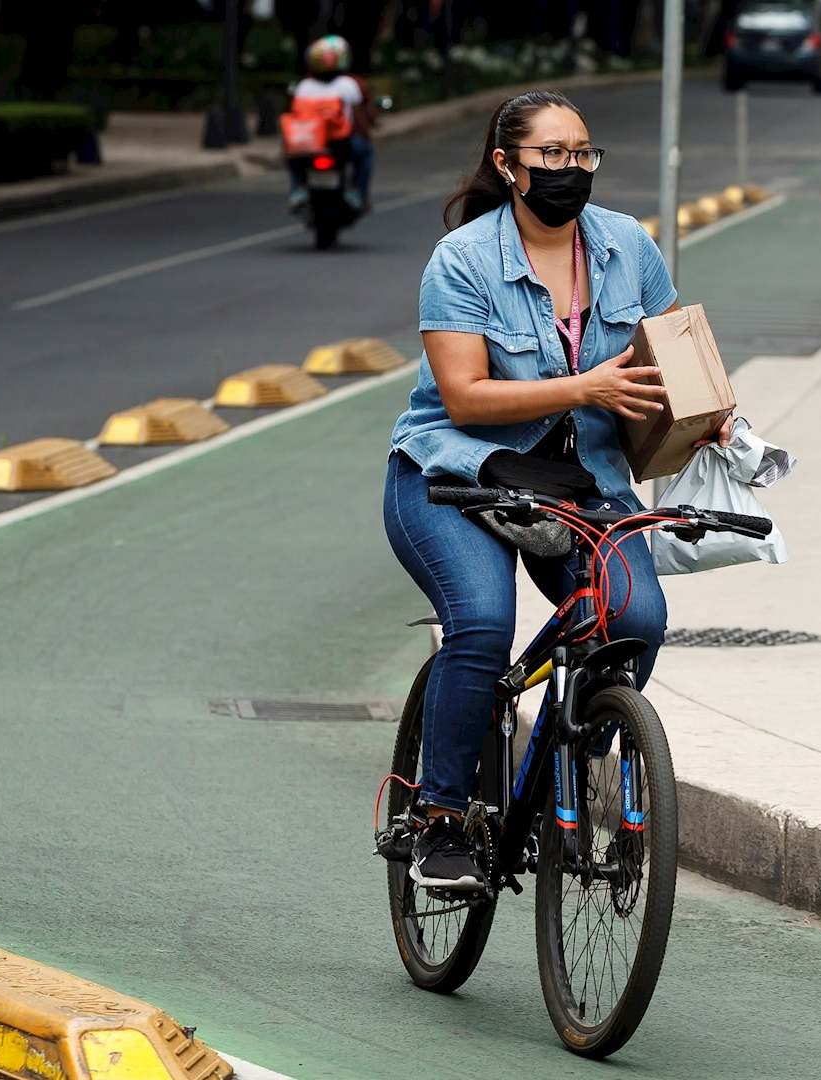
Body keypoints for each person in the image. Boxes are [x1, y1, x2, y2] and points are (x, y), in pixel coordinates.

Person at [384, 90, 725, 889]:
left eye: (583, 154)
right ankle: (441, 820)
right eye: (552, 156)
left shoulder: (625, 246)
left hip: (582, 484)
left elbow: (673, 351)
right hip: (457, 477)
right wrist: (586, 390)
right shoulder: (462, 260)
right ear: (508, 166)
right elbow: (464, 398)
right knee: (482, 622)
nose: (572, 170)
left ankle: (577, 745)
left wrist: (710, 414)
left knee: (634, 617)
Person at [285, 35, 375, 211]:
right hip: (342, 143)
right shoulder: (348, 84)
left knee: (292, 155)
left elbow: (295, 117)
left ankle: (298, 188)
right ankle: (358, 193)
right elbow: (359, 117)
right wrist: (367, 135)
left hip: (309, 143)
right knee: (366, 152)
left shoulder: (304, 86)